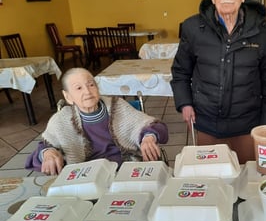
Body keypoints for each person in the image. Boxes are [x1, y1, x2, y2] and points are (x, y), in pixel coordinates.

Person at [171, 0, 266, 164]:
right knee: (211, 178)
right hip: (206, 122)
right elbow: (180, 71)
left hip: (248, 124)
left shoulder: (263, 30)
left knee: (246, 178)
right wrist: (185, 103)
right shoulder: (193, 28)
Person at [25, 67, 168, 175]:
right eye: (79, 88)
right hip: (85, 175)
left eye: (91, 85)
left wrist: (148, 137)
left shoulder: (116, 106)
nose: (87, 91)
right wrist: (48, 153)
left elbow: (155, 126)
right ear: (68, 96)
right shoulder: (61, 120)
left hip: (126, 168)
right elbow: (42, 149)